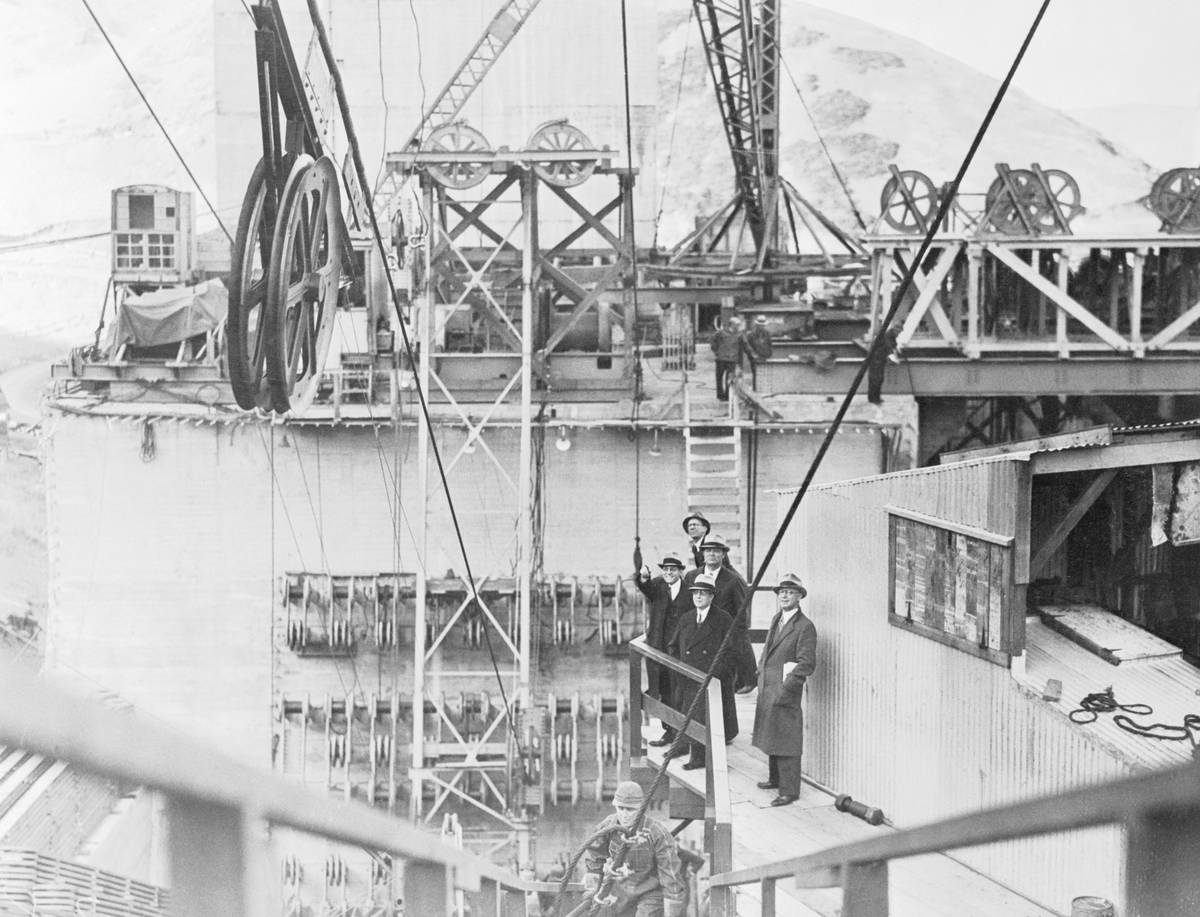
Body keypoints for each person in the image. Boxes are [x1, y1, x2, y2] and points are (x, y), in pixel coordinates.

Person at [751, 573, 817, 807]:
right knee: (771, 732)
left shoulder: (805, 627)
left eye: (790, 591)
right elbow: (767, 649)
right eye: (781, 591)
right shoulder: (777, 618)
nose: (784, 595)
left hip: (785, 691)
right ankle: (775, 778)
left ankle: (789, 790)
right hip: (767, 686)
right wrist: (760, 671)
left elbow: (806, 663)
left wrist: (786, 687)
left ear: (799, 596)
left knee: (787, 737)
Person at [667, 573, 739, 770]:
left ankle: (700, 758)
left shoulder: (723, 619)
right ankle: (687, 749)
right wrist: (678, 669)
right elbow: (673, 646)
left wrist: (716, 675)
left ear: (712, 596)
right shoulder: (686, 618)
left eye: (703, 593)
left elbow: (731, 652)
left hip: (711, 680)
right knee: (687, 713)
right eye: (695, 593)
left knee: (707, 719)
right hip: (687, 678)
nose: (698, 597)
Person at [582, 781, 686, 917]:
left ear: (641, 809)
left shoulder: (657, 833)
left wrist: (672, 912)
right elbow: (594, 860)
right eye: (621, 808)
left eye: (630, 809)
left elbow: (671, 874)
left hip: (650, 893)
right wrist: (593, 890)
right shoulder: (607, 827)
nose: (624, 814)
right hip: (619, 891)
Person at [683, 534, 757, 693]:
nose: (712, 554)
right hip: (697, 638)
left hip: (720, 639)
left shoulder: (733, 580)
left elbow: (741, 614)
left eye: (716, 551)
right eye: (708, 550)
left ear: (723, 555)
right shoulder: (691, 576)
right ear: (702, 553)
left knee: (720, 687)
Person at [635, 552, 691, 747]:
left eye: (673, 570)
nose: (669, 572)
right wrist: (643, 577)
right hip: (658, 650)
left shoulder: (689, 591)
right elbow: (644, 587)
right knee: (662, 692)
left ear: (680, 572)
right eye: (666, 569)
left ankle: (683, 736)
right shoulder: (657, 586)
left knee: (679, 691)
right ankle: (669, 732)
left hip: (678, 651)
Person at [710, 316, 744, 401]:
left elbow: (743, 346)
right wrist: (716, 351)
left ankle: (728, 395)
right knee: (719, 378)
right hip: (721, 359)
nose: (738, 327)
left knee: (730, 378)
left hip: (732, 359)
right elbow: (713, 340)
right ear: (732, 324)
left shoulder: (739, 334)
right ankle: (720, 395)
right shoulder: (721, 332)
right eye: (737, 325)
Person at [742, 315, 773, 389]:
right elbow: (746, 346)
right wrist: (752, 355)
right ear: (757, 325)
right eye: (760, 325)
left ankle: (764, 389)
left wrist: (768, 353)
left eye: (763, 325)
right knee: (756, 374)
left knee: (765, 374)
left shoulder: (767, 333)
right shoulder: (750, 334)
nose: (762, 327)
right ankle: (756, 389)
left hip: (765, 356)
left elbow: (769, 344)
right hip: (754, 358)